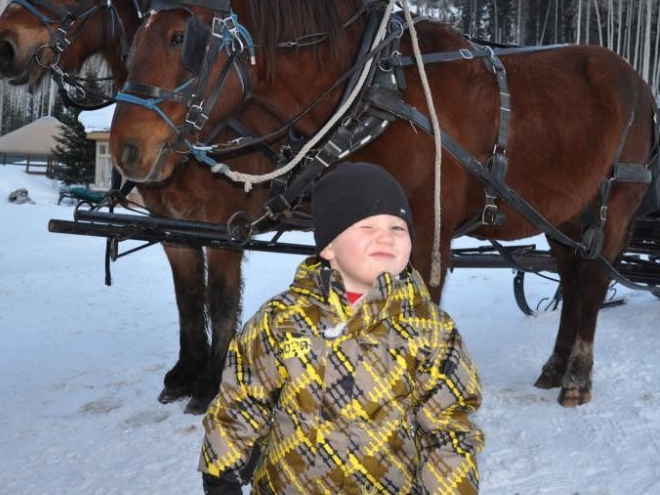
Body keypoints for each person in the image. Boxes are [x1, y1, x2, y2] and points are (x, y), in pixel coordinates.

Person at [200, 162, 484, 494]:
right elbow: (240, 404)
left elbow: (448, 429)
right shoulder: (282, 320)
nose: (386, 237)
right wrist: (221, 473)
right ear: (329, 247)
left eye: (398, 227)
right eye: (366, 226)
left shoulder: (430, 330)